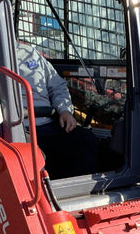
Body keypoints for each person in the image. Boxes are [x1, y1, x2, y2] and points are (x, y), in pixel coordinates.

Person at [16, 41, 97, 178]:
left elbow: (57, 85)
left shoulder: (30, 53)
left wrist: (64, 110)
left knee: (86, 139)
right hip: (18, 127)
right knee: (33, 155)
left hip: (48, 121)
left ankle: (80, 191)